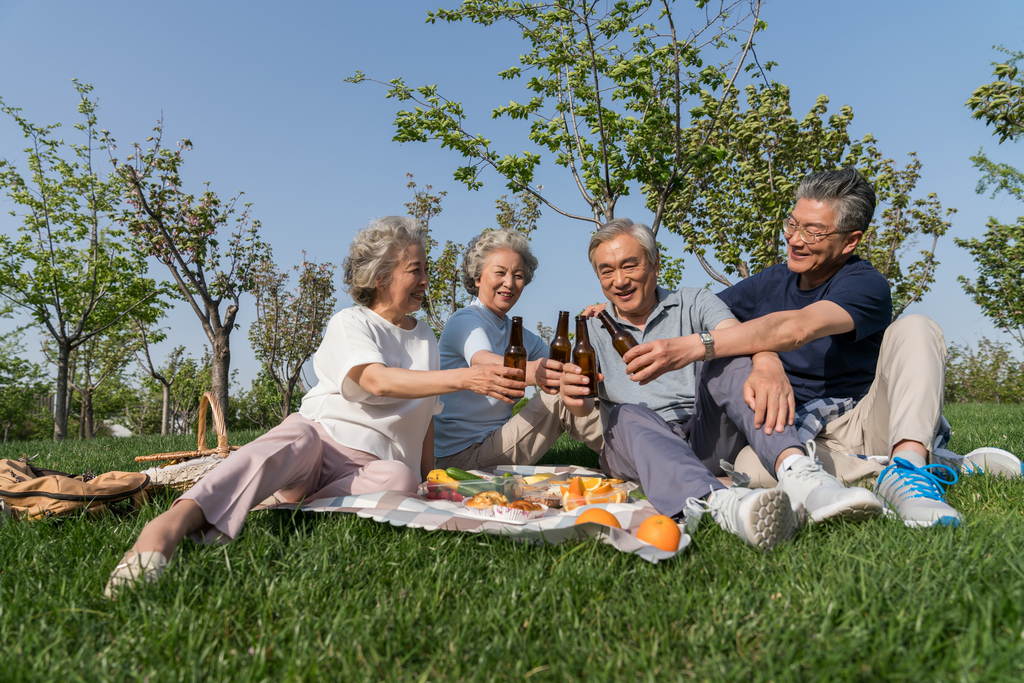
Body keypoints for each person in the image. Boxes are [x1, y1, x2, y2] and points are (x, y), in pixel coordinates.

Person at [105, 216, 524, 598]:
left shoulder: (425, 337)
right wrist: (464, 377)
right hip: (320, 441)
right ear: (380, 277)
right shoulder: (351, 322)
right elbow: (375, 380)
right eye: (415, 271)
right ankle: (166, 530)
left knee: (400, 479)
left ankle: (286, 501)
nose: (425, 280)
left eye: (425, 270)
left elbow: (426, 415)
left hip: (370, 467)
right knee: (296, 437)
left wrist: (428, 478)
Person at [617, 168, 960, 528]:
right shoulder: (770, 281)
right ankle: (921, 460)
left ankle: (907, 471)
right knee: (748, 467)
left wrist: (701, 346)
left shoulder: (865, 284)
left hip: (858, 421)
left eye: (813, 231)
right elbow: (702, 314)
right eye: (792, 225)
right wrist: (612, 310)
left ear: (850, 241)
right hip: (785, 428)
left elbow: (797, 328)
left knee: (917, 327)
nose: (795, 240)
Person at [560, 218, 831, 551]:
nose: (619, 281)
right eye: (606, 271)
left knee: (729, 353)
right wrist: (572, 396)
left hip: (706, 435)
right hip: (638, 443)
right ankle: (720, 504)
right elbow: (583, 405)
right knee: (625, 414)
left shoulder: (694, 301)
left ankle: (799, 471)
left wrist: (767, 361)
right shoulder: (592, 329)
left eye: (630, 265)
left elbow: (740, 336)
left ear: (655, 265)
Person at [433, 229, 604, 470]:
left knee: (570, 386)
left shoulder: (518, 333)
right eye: (500, 273)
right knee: (557, 396)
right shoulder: (466, 319)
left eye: (518, 275)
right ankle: (637, 459)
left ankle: (640, 447)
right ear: (478, 277)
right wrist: (535, 371)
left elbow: (568, 369)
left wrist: (595, 328)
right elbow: (483, 362)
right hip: (459, 459)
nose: (510, 283)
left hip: (494, 442)